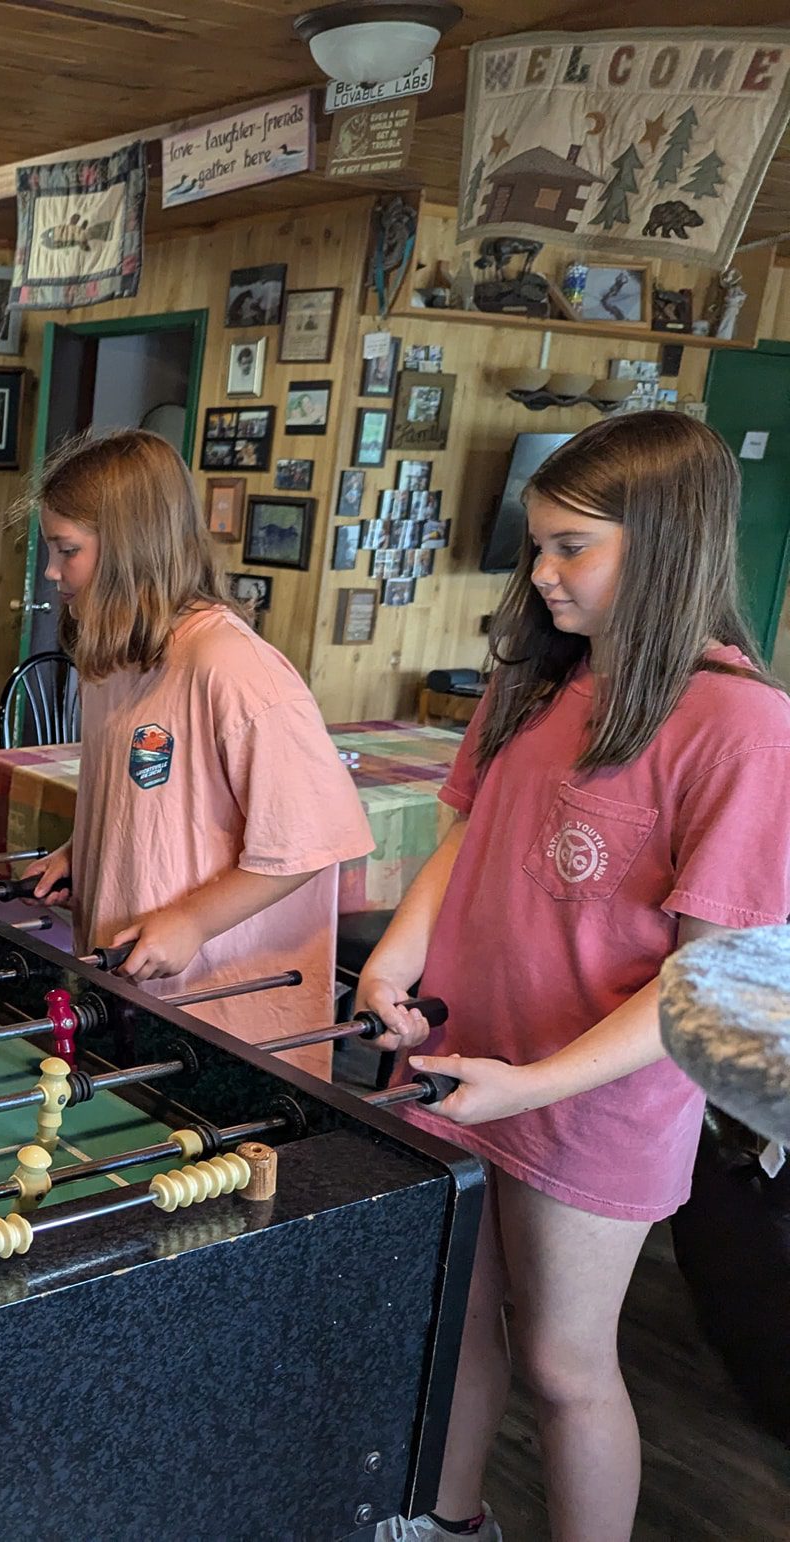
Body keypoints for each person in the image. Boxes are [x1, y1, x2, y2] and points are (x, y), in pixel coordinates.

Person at [356, 412, 790, 1542]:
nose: (542, 573)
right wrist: (397, 953)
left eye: (571, 548)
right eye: (536, 544)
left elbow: (709, 981)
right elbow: (466, 833)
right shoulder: (537, 677)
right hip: (461, 1058)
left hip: (591, 1102)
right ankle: (447, 1524)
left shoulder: (742, 724)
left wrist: (536, 1083)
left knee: (563, 1363)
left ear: (665, 548)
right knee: (454, 1325)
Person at [18, 429, 374, 1074]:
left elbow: (311, 844)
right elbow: (150, 802)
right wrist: (84, 849)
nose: (51, 570)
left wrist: (194, 921)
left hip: (227, 1014)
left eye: (67, 550)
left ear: (131, 549)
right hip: (129, 985)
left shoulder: (234, 667)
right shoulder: (116, 658)